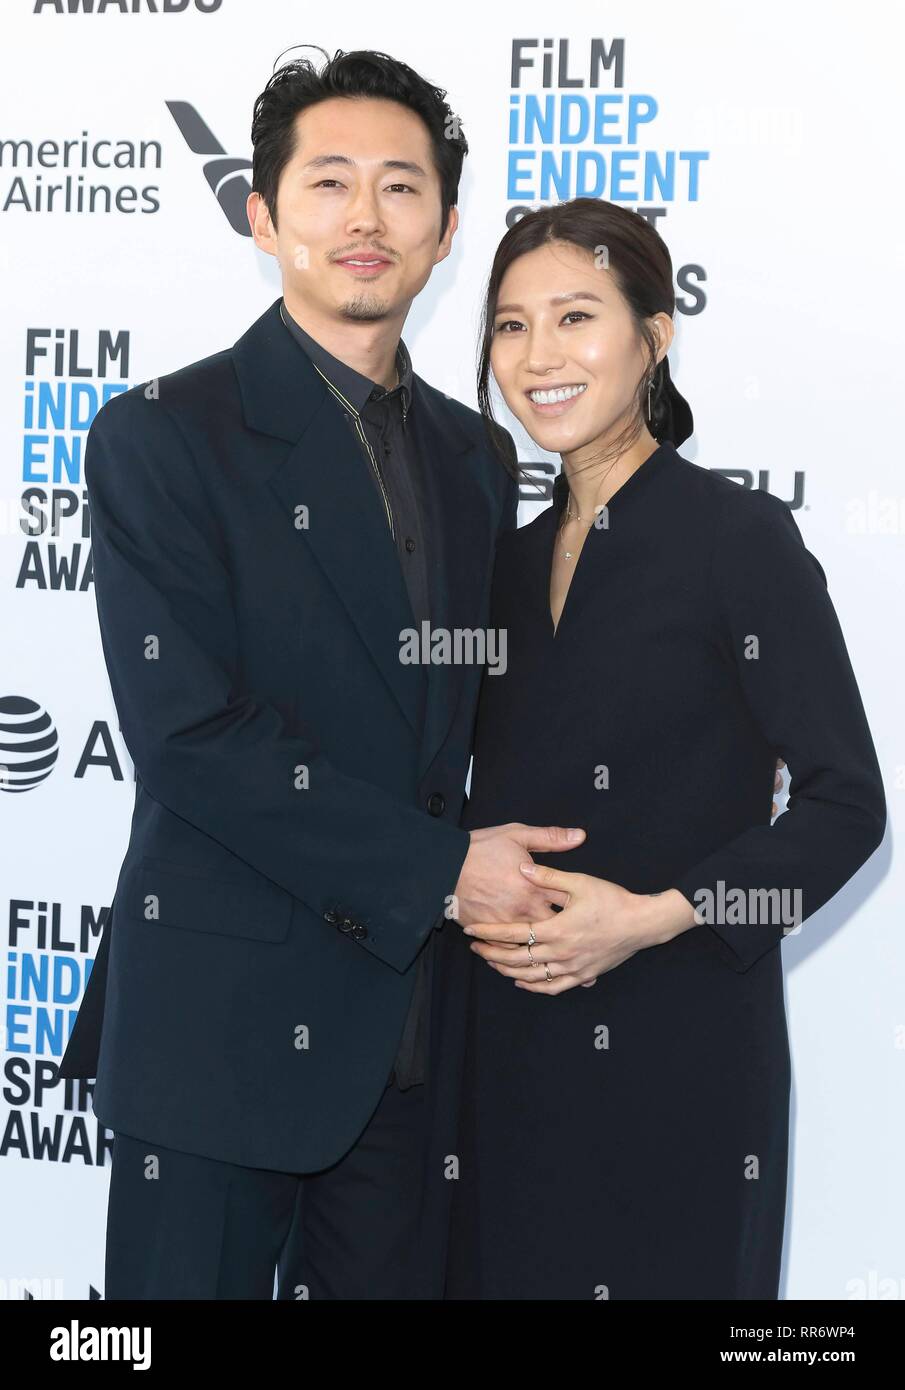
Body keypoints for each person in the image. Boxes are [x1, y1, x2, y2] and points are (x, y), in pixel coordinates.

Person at [56, 48, 589, 1300]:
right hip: (218, 1030)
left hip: (409, 1043)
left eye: (401, 188)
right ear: (262, 215)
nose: (365, 217)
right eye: (329, 182)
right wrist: (444, 867)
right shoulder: (165, 433)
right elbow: (189, 736)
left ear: (446, 230)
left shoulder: (474, 455)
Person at [423, 197, 887, 1300]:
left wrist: (651, 915)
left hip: (680, 1042)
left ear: (654, 333)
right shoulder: (493, 562)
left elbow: (844, 804)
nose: (539, 357)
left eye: (575, 317)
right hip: (504, 1050)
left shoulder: (738, 540)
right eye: (509, 326)